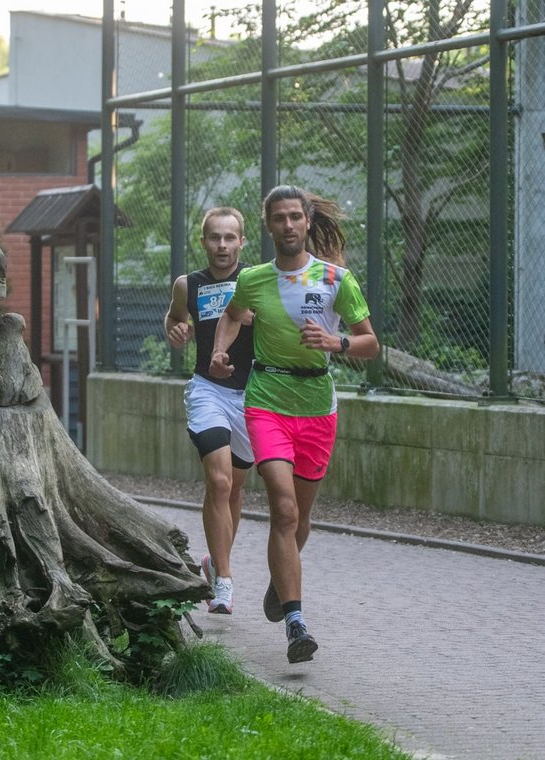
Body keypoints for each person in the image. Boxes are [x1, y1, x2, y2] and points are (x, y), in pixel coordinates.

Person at [209, 185, 379, 664]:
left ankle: (279, 583)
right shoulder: (256, 280)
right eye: (278, 218)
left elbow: (370, 343)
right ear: (268, 226)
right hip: (266, 402)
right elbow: (233, 316)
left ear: (307, 222)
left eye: (294, 217)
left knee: (300, 520)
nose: (287, 225)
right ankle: (296, 621)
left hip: (318, 406)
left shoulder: (335, 278)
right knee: (283, 510)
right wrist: (221, 350)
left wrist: (335, 342)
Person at [164, 207, 256, 614]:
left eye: (229, 238)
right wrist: (176, 331)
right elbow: (173, 319)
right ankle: (224, 580)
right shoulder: (189, 284)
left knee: (234, 489)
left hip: (253, 396)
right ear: (203, 242)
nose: (222, 245)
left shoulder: (257, 282)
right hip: (207, 391)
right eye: (214, 238)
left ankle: (212, 562)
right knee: (218, 484)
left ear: (242, 242)